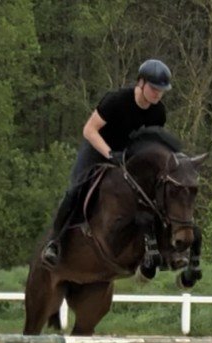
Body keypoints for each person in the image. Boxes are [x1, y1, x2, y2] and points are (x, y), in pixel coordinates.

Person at [42, 58, 173, 266]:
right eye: (154, 88)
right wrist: (110, 153)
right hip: (98, 148)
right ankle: (54, 242)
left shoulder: (158, 112)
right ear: (141, 83)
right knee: (76, 189)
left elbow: (151, 145)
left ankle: (154, 248)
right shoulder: (117, 100)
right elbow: (89, 130)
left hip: (127, 156)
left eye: (162, 90)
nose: (158, 93)